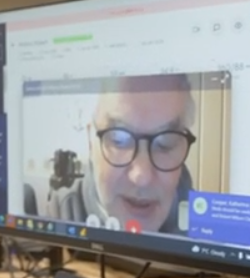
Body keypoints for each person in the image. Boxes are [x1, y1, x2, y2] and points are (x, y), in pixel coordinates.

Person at [46, 74, 197, 234]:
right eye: (119, 140)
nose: (142, 177)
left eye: (165, 143)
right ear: (91, 142)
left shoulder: (205, 229)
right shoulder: (59, 216)